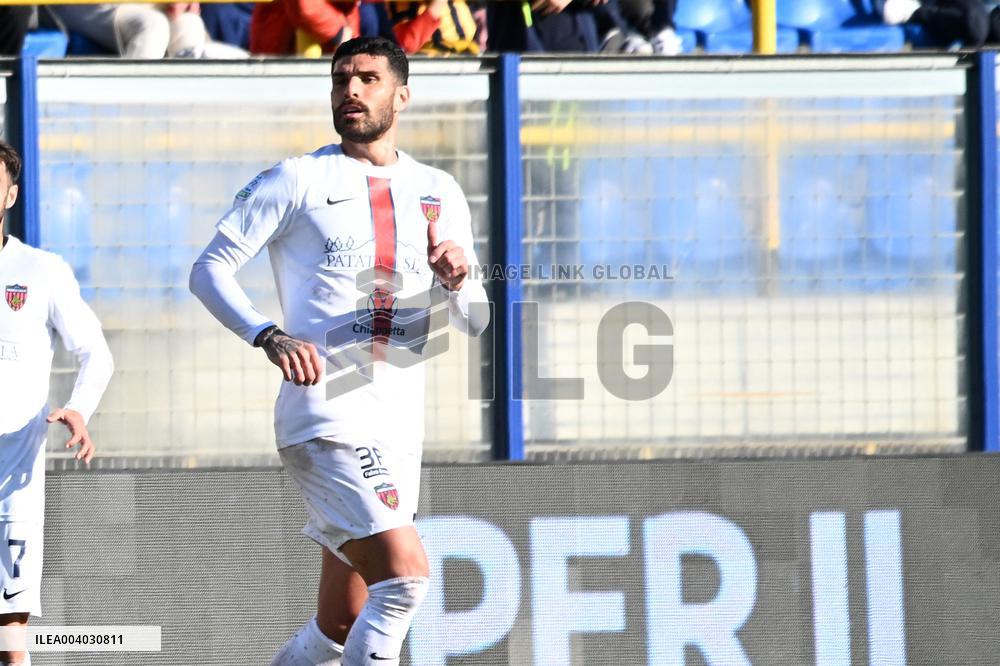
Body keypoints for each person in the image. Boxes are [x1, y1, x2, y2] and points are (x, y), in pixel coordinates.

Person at [189, 36, 489, 665]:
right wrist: (267, 335)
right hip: (327, 413)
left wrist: (459, 280)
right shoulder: (298, 177)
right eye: (340, 80)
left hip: (398, 425)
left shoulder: (438, 190)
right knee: (405, 579)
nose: (351, 91)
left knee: (340, 623)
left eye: (368, 79)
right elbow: (208, 270)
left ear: (401, 96)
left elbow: (478, 320)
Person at [0, 141, 114, 666]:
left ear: (11, 194)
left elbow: (96, 354)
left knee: (10, 630)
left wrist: (79, 408)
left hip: (12, 478)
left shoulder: (40, 270)